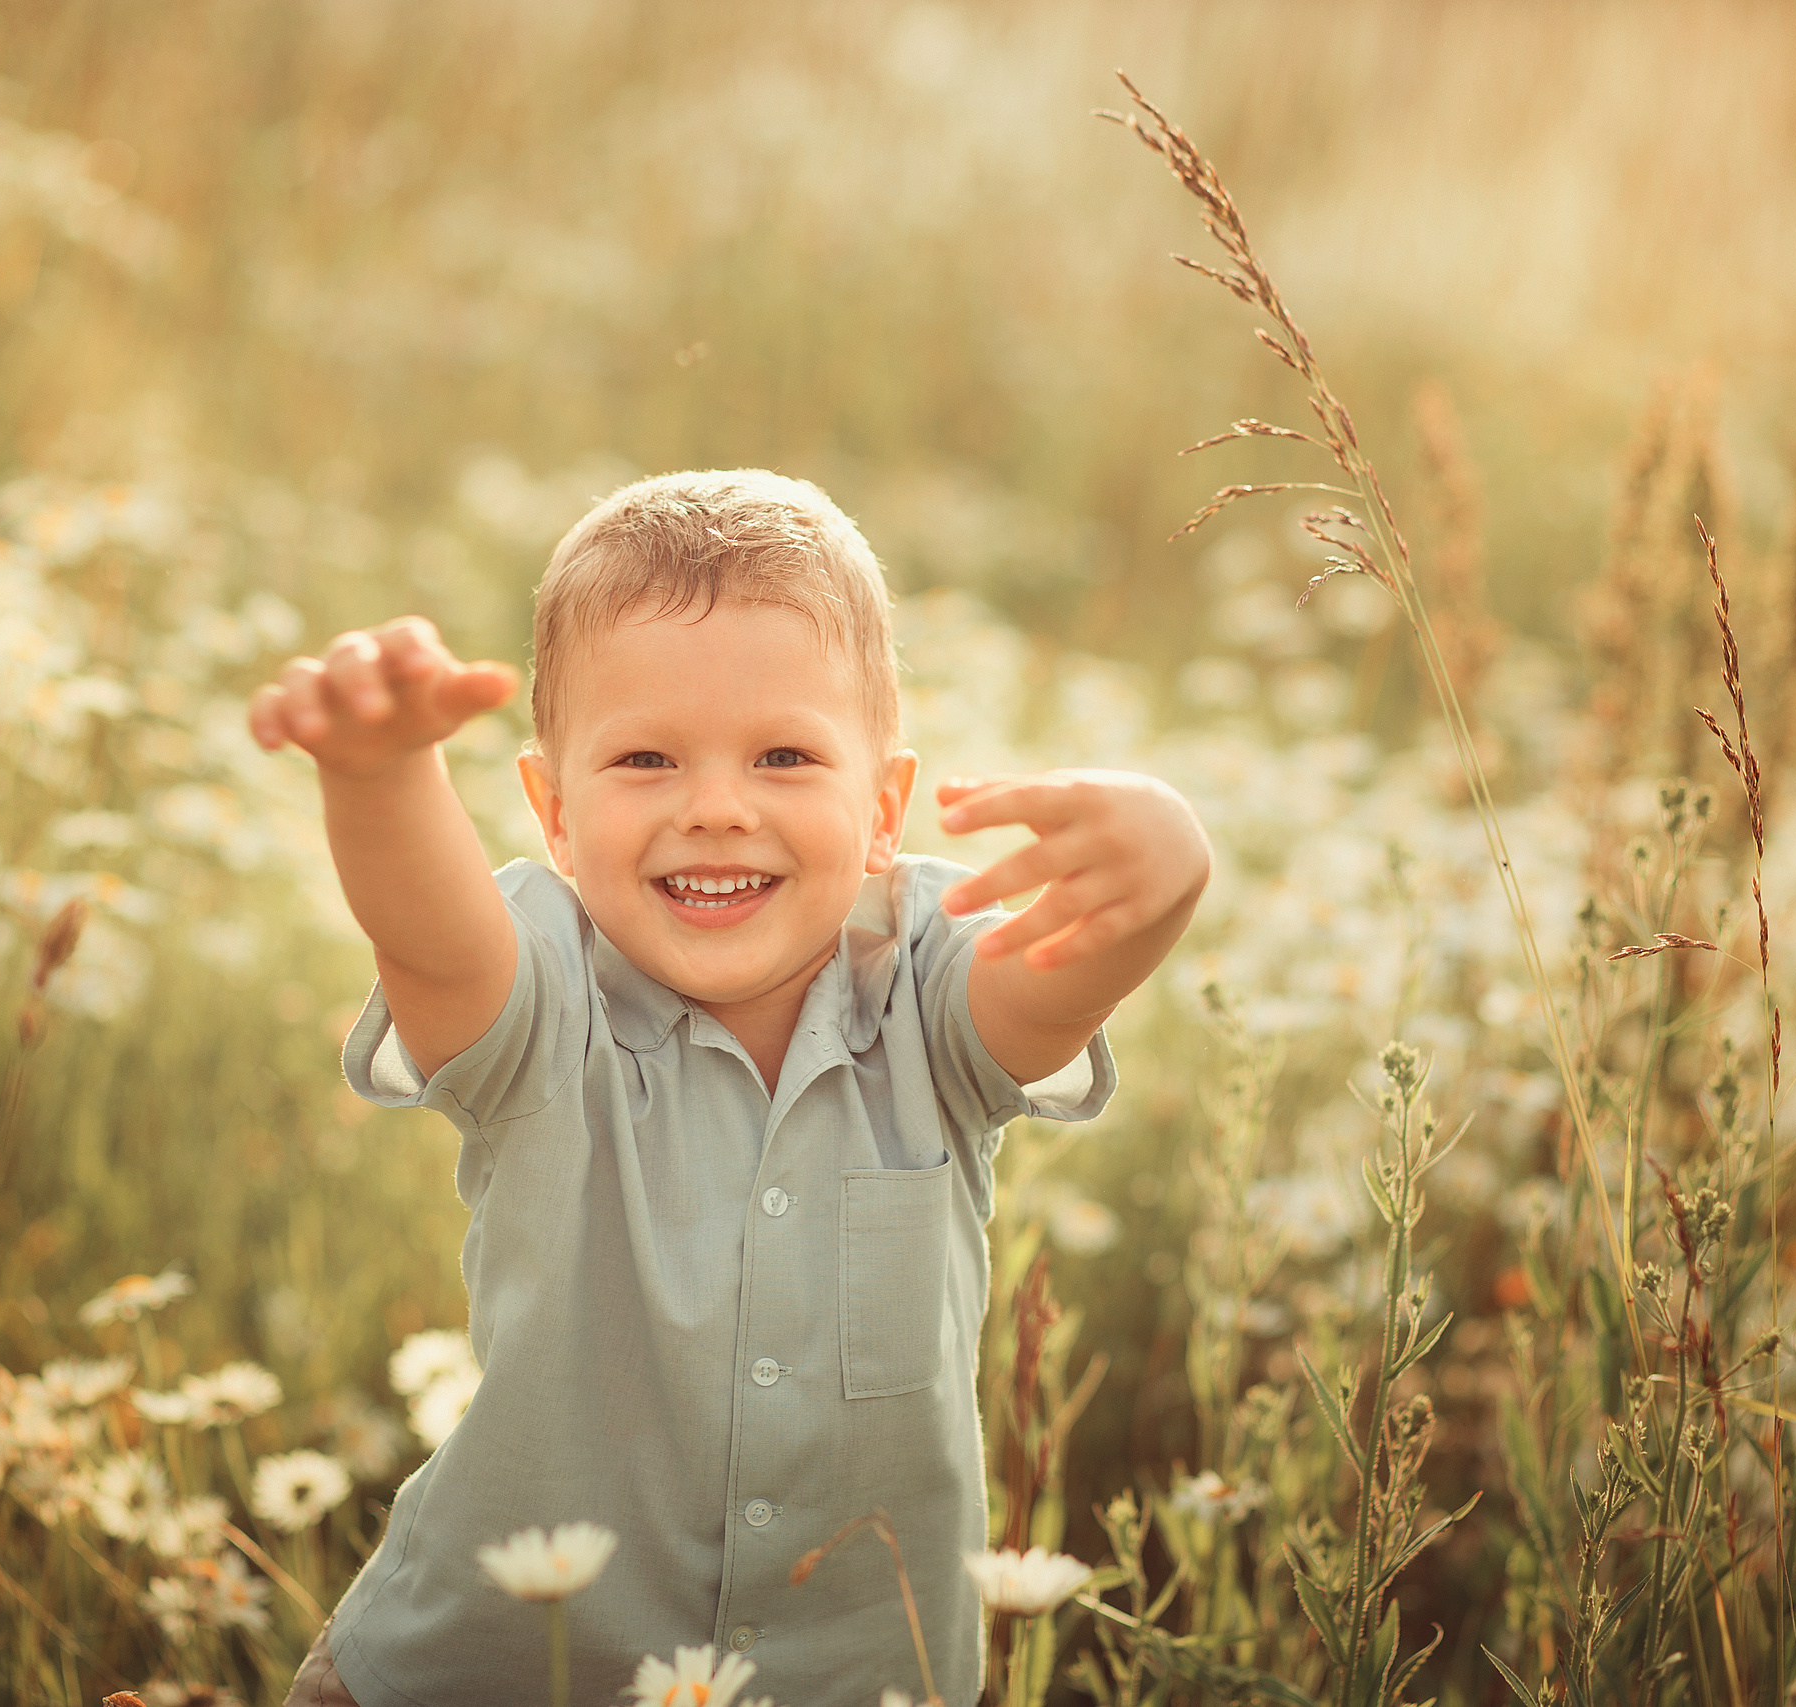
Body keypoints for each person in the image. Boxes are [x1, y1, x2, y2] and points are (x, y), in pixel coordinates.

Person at [248, 469, 1209, 1706]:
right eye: (644, 758)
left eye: (784, 757)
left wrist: (1164, 875)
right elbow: (432, 945)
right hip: (494, 1674)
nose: (715, 808)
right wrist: (378, 777)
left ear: (882, 807)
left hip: (854, 1680)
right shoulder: (542, 998)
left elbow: (1061, 985)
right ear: (551, 809)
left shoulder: (926, 987)